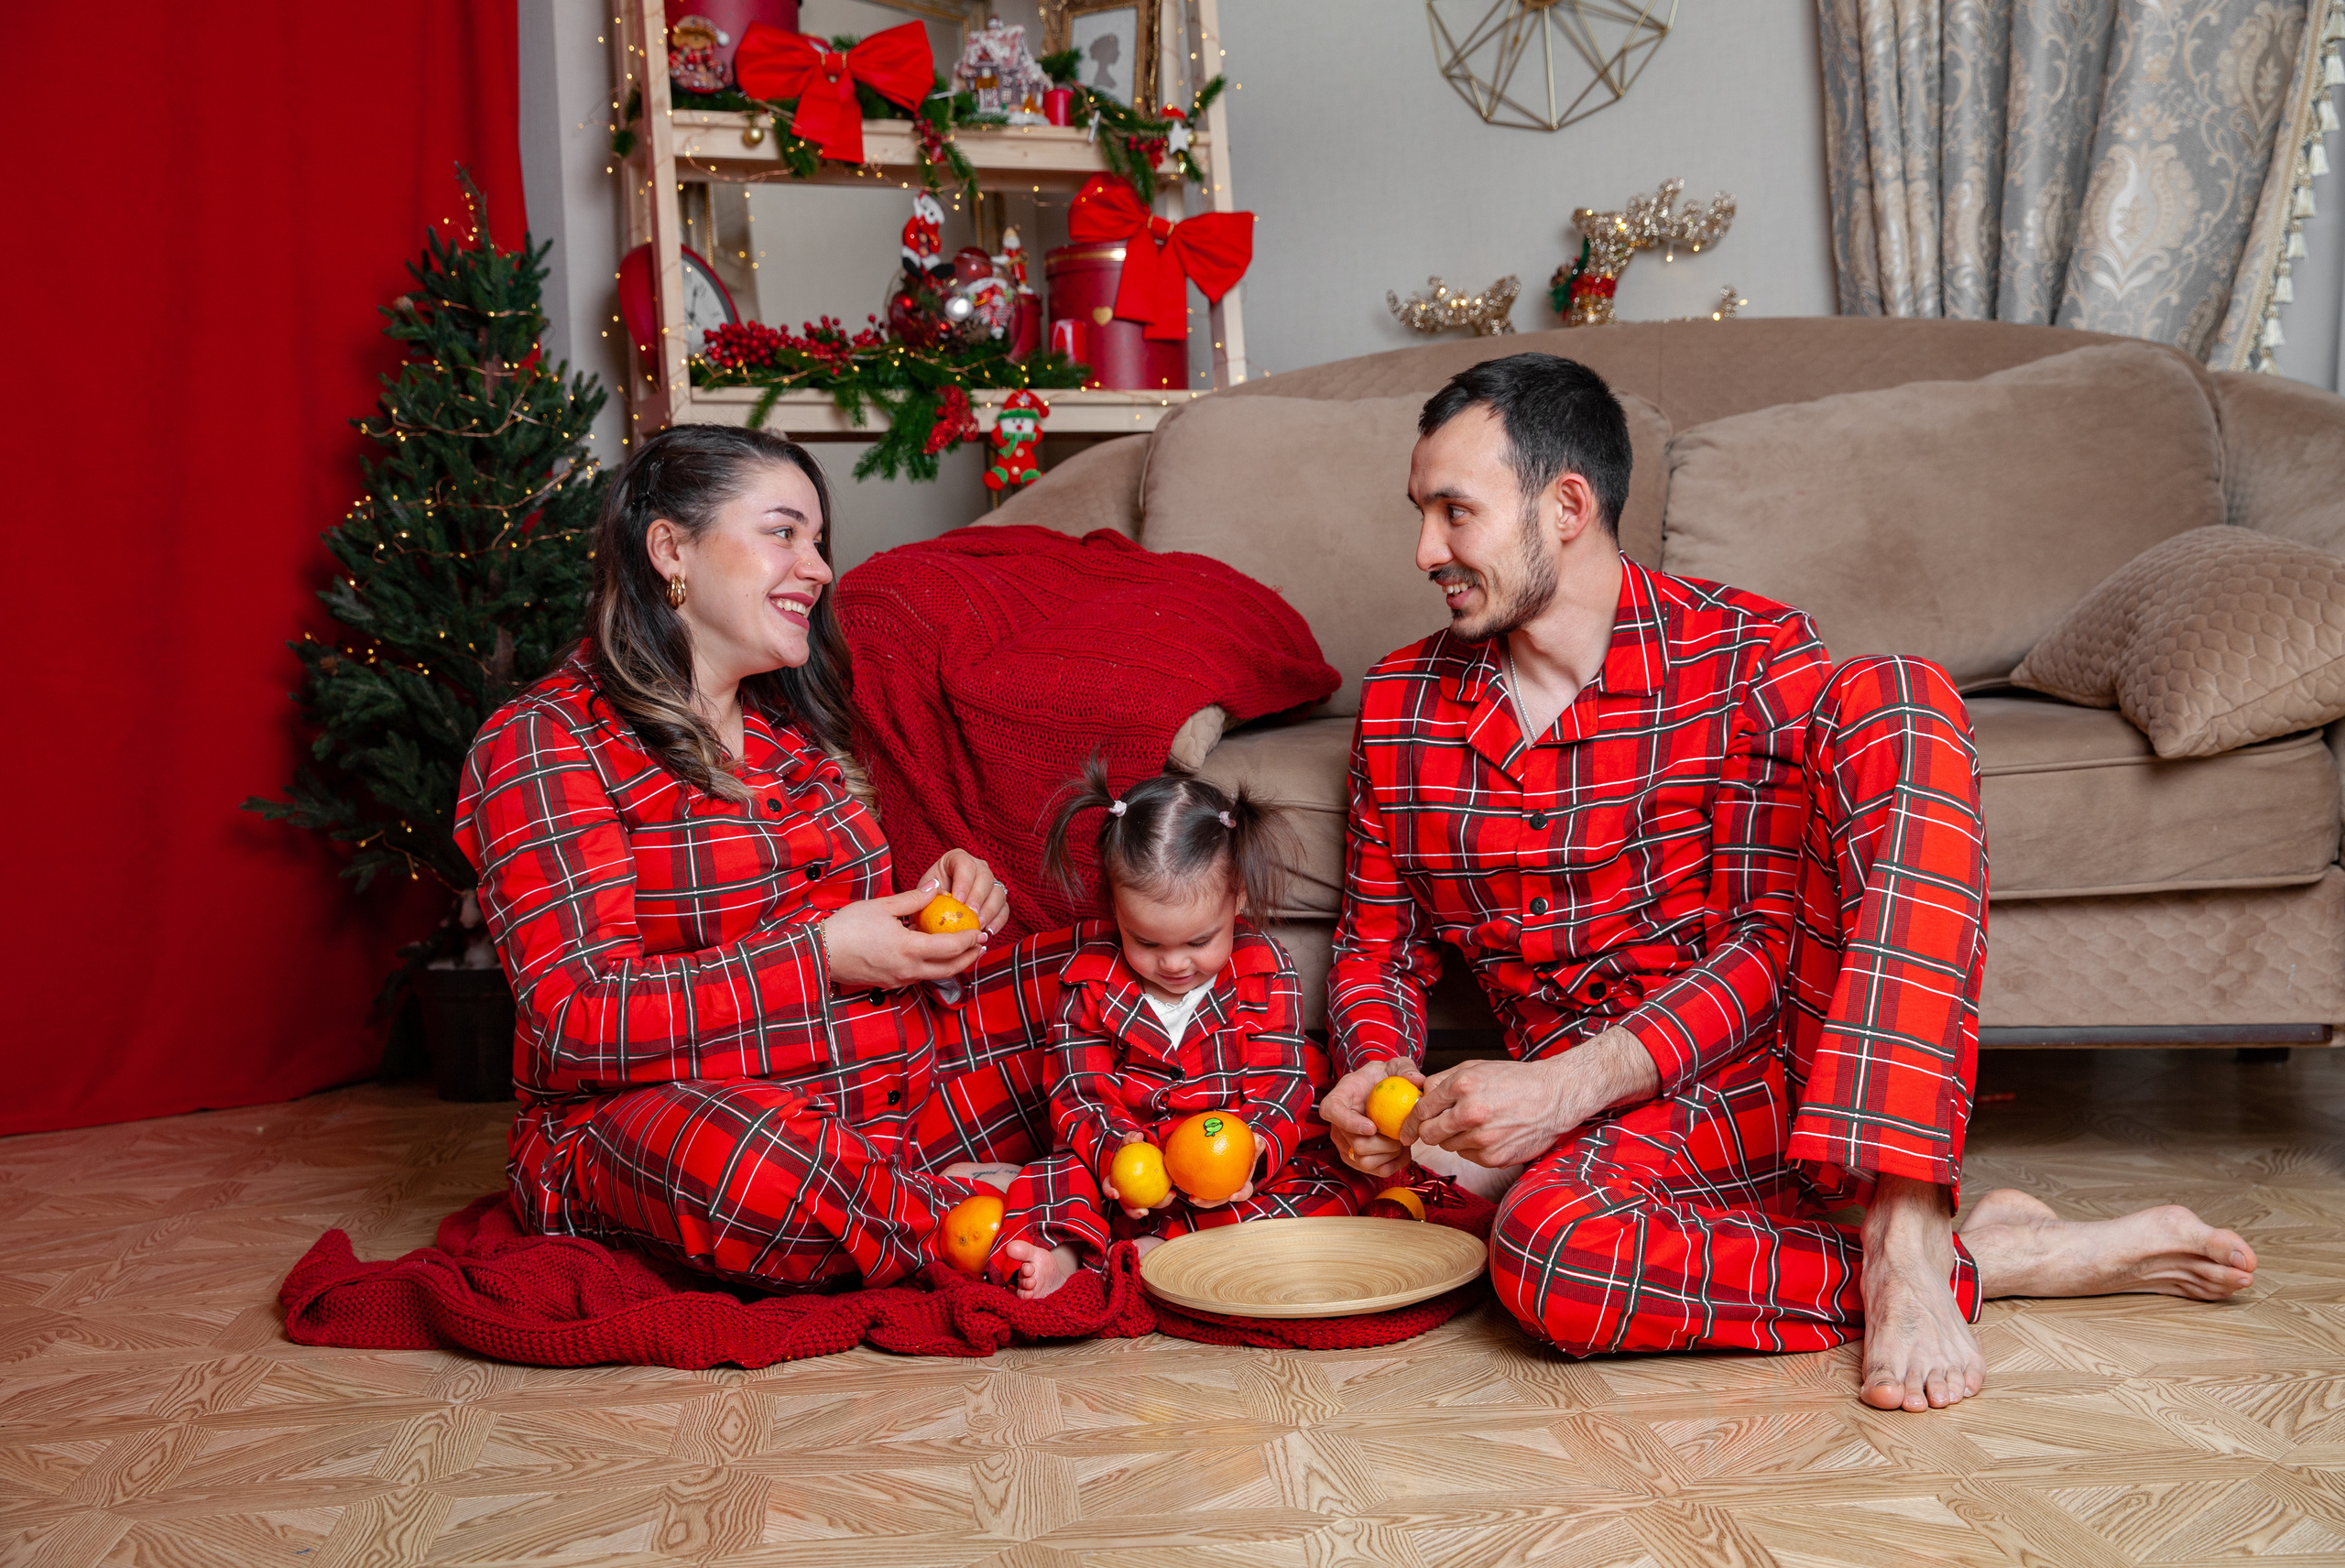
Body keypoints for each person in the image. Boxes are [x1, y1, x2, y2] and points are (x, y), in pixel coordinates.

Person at [1317, 353, 2259, 1412]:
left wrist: (1576, 1079)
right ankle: (2004, 1256)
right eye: (1421, 512)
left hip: (1777, 1077)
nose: (1424, 549)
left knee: (1898, 695)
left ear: (1567, 506)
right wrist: (1376, 1062)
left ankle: (1907, 1228)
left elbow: (1768, 943)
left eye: (1454, 511)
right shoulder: (1399, 703)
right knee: (1546, 1261)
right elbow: (1373, 947)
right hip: (1591, 1128)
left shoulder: (1752, 651)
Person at [455, 424, 1076, 1292]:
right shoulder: (546, 741)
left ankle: (924, 1202)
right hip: (679, 1125)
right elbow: (575, 1018)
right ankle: (991, 1212)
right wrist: (820, 958)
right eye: (784, 533)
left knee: (1141, 968)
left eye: (818, 542)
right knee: (754, 1165)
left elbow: (844, 920)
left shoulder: (793, 732)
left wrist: (937, 910)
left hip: (884, 1096)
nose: (818, 569)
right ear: (670, 549)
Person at [1003, 763, 1380, 1299]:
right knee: (1056, 1174)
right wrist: (1115, 1153)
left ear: (1238, 898)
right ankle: (1065, 1255)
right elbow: (1076, 1093)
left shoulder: (1266, 969)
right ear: (1115, 909)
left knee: (1332, 1188)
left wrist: (1254, 1149)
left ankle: (1160, 1249)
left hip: (1227, 1167)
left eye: (1199, 941)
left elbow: (1282, 1082)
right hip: (1128, 1173)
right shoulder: (1089, 980)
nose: (1175, 964)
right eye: (1147, 943)